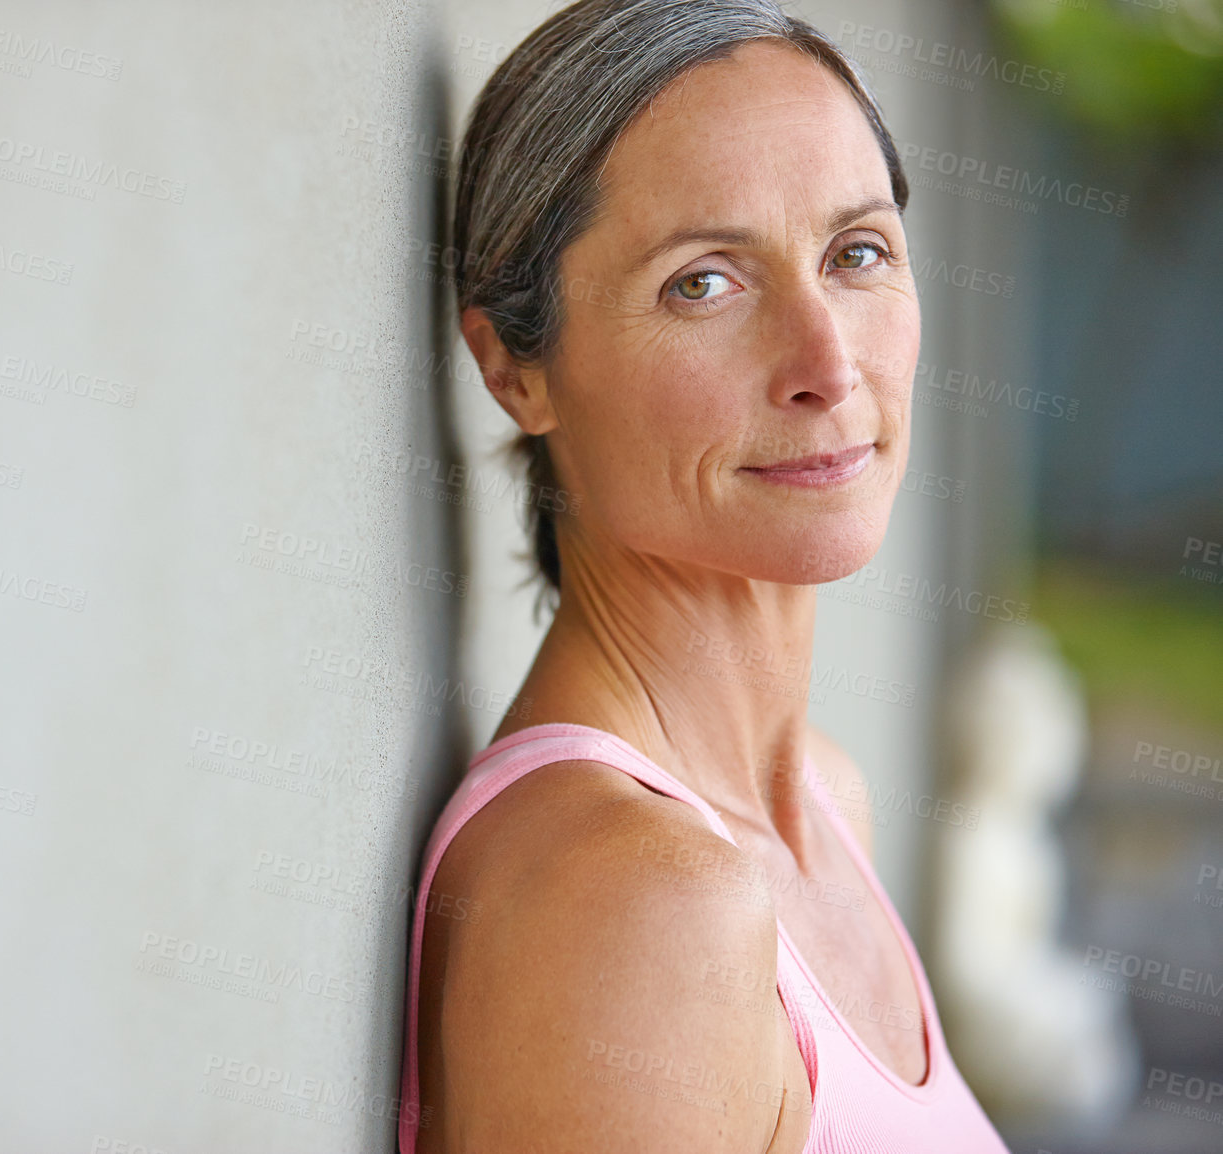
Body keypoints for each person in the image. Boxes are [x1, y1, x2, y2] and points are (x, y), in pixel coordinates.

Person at [397, 1, 1012, 1150]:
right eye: (704, 283)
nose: (827, 365)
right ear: (513, 367)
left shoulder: (823, 799)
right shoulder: (635, 901)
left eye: (856, 253)